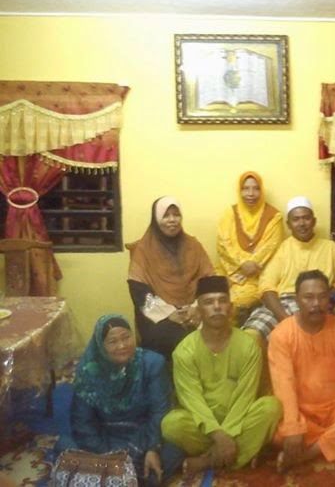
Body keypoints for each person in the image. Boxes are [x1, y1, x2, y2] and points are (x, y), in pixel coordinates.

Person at [161, 276, 282, 473]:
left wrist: (227, 433)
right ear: (198, 310)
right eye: (209, 302)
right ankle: (238, 454)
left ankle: (208, 461)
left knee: (271, 407)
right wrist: (218, 434)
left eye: (222, 300)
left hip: (240, 417)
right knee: (172, 424)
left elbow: (246, 396)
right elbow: (191, 399)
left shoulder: (248, 345)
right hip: (204, 424)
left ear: (231, 308)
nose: (216, 307)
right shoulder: (184, 351)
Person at [268, 270, 335, 473]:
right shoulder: (281, 335)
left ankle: (306, 454)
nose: (316, 304)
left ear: (329, 299)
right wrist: (292, 426)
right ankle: (330, 444)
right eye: (309, 297)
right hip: (301, 412)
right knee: (276, 430)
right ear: (297, 300)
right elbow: (284, 386)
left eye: (322, 297)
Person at [55, 315, 183, 486]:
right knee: (64, 447)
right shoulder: (89, 371)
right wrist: (109, 457)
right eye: (112, 341)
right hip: (106, 437)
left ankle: (114, 478)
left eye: (126, 337)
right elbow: (82, 421)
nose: (122, 346)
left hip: (143, 434)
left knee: (174, 449)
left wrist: (152, 448)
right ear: (101, 345)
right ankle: (125, 477)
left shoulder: (152, 363)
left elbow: (160, 410)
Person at [242, 196, 335, 340]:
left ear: (314, 221)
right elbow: (267, 287)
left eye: (306, 218)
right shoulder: (282, 248)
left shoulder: (330, 248)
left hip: (315, 304)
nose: (302, 223)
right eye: (296, 219)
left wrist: (324, 298)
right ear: (289, 224)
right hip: (282, 303)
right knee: (251, 336)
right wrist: (285, 319)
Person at [127, 196, 214, 360]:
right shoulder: (144, 250)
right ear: (156, 219)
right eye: (166, 215)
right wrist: (170, 314)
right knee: (185, 341)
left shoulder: (193, 245)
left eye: (176, 214)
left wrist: (196, 307)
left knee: (217, 333)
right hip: (159, 317)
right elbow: (140, 293)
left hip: (195, 311)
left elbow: (210, 280)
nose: (172, 220)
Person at [216, 171, 284, 322]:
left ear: (262, 191)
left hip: (257, 277)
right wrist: (242, 264)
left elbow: (271, 248)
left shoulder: (274, 217)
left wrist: (249, 268)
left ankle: (231, 336)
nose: (251, 194)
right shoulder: (229, 214)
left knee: (234, 302)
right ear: (239, 191)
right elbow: (223, 245)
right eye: (246, 188)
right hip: (227, 272)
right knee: (210, 296)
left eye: (256, 188)